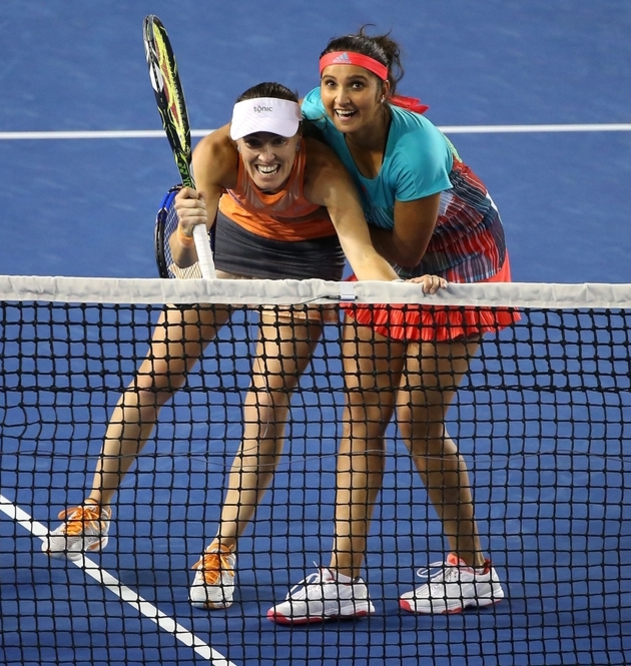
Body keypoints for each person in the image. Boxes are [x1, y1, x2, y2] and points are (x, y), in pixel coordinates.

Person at [40, 81, 445, 612]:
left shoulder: (326, 174)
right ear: (237, 140)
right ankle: (94, 509)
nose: (265, 154)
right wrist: (185, 230)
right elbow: (183, 259)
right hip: (229, 248)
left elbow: (362, 256)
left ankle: (221, 550)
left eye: (277, 141)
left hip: (301, 267)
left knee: (267, 401)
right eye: (254, 142)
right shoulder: (213, 154)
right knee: (155, 377)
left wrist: (401, 289)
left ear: (298, 138)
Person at [267, 29, 521, 624]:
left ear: (384, 91)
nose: (341, 98)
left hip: (454, 262)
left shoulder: (418, 150)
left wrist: (333, 212)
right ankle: (343, 577)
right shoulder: (314, 111)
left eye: (357, 85)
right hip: (379, 255)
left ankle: (474, 569)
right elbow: (251, 150)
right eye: (331, 84)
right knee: (361, 413)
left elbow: (407, 250)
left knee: (417, 423)